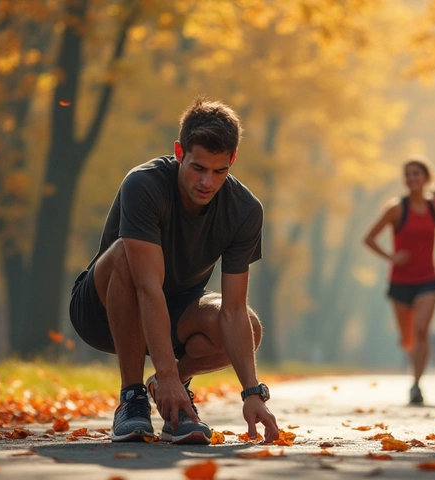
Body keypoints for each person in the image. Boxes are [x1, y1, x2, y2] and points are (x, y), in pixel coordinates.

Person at [69, 97, 279, 444]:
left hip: (176, 309)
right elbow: (147, 288)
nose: (207, 183)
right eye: (198, 168)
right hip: (103, 310)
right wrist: (163, 370)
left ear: (232, 160)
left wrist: (252, 392)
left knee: (251, 329)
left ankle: (173, 392)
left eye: (219, 171)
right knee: (124, 253)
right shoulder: (144, 184)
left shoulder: (244, 210)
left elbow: (232, 309)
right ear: (179, 151)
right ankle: (133, 397)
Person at [364, 158, 435, 404]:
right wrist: (392, 257)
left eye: (417, 174)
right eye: (408, 175)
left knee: (422, 331)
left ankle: (417, 384)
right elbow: (369, 238)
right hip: (400, 281)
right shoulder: (396, 208)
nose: (412, 179)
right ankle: (413, 366)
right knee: (408, 337)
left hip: (428, 280)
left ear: (426, 178)